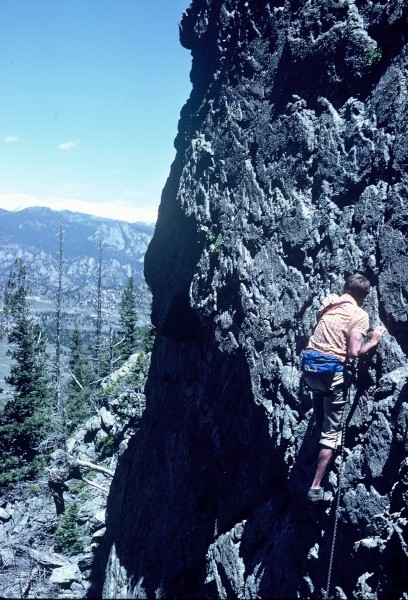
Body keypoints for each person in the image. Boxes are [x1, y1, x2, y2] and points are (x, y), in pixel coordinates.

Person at [301, 274, 386, 502]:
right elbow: (353, 353)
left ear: (346, 288)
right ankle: (316, 487)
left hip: (309, 371)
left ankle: (320, 446)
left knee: (319, 399)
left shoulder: (329, 301)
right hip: (332, 376)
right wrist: (374, 340)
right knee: (331, 435)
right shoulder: (360, 315)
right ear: (364, 296)